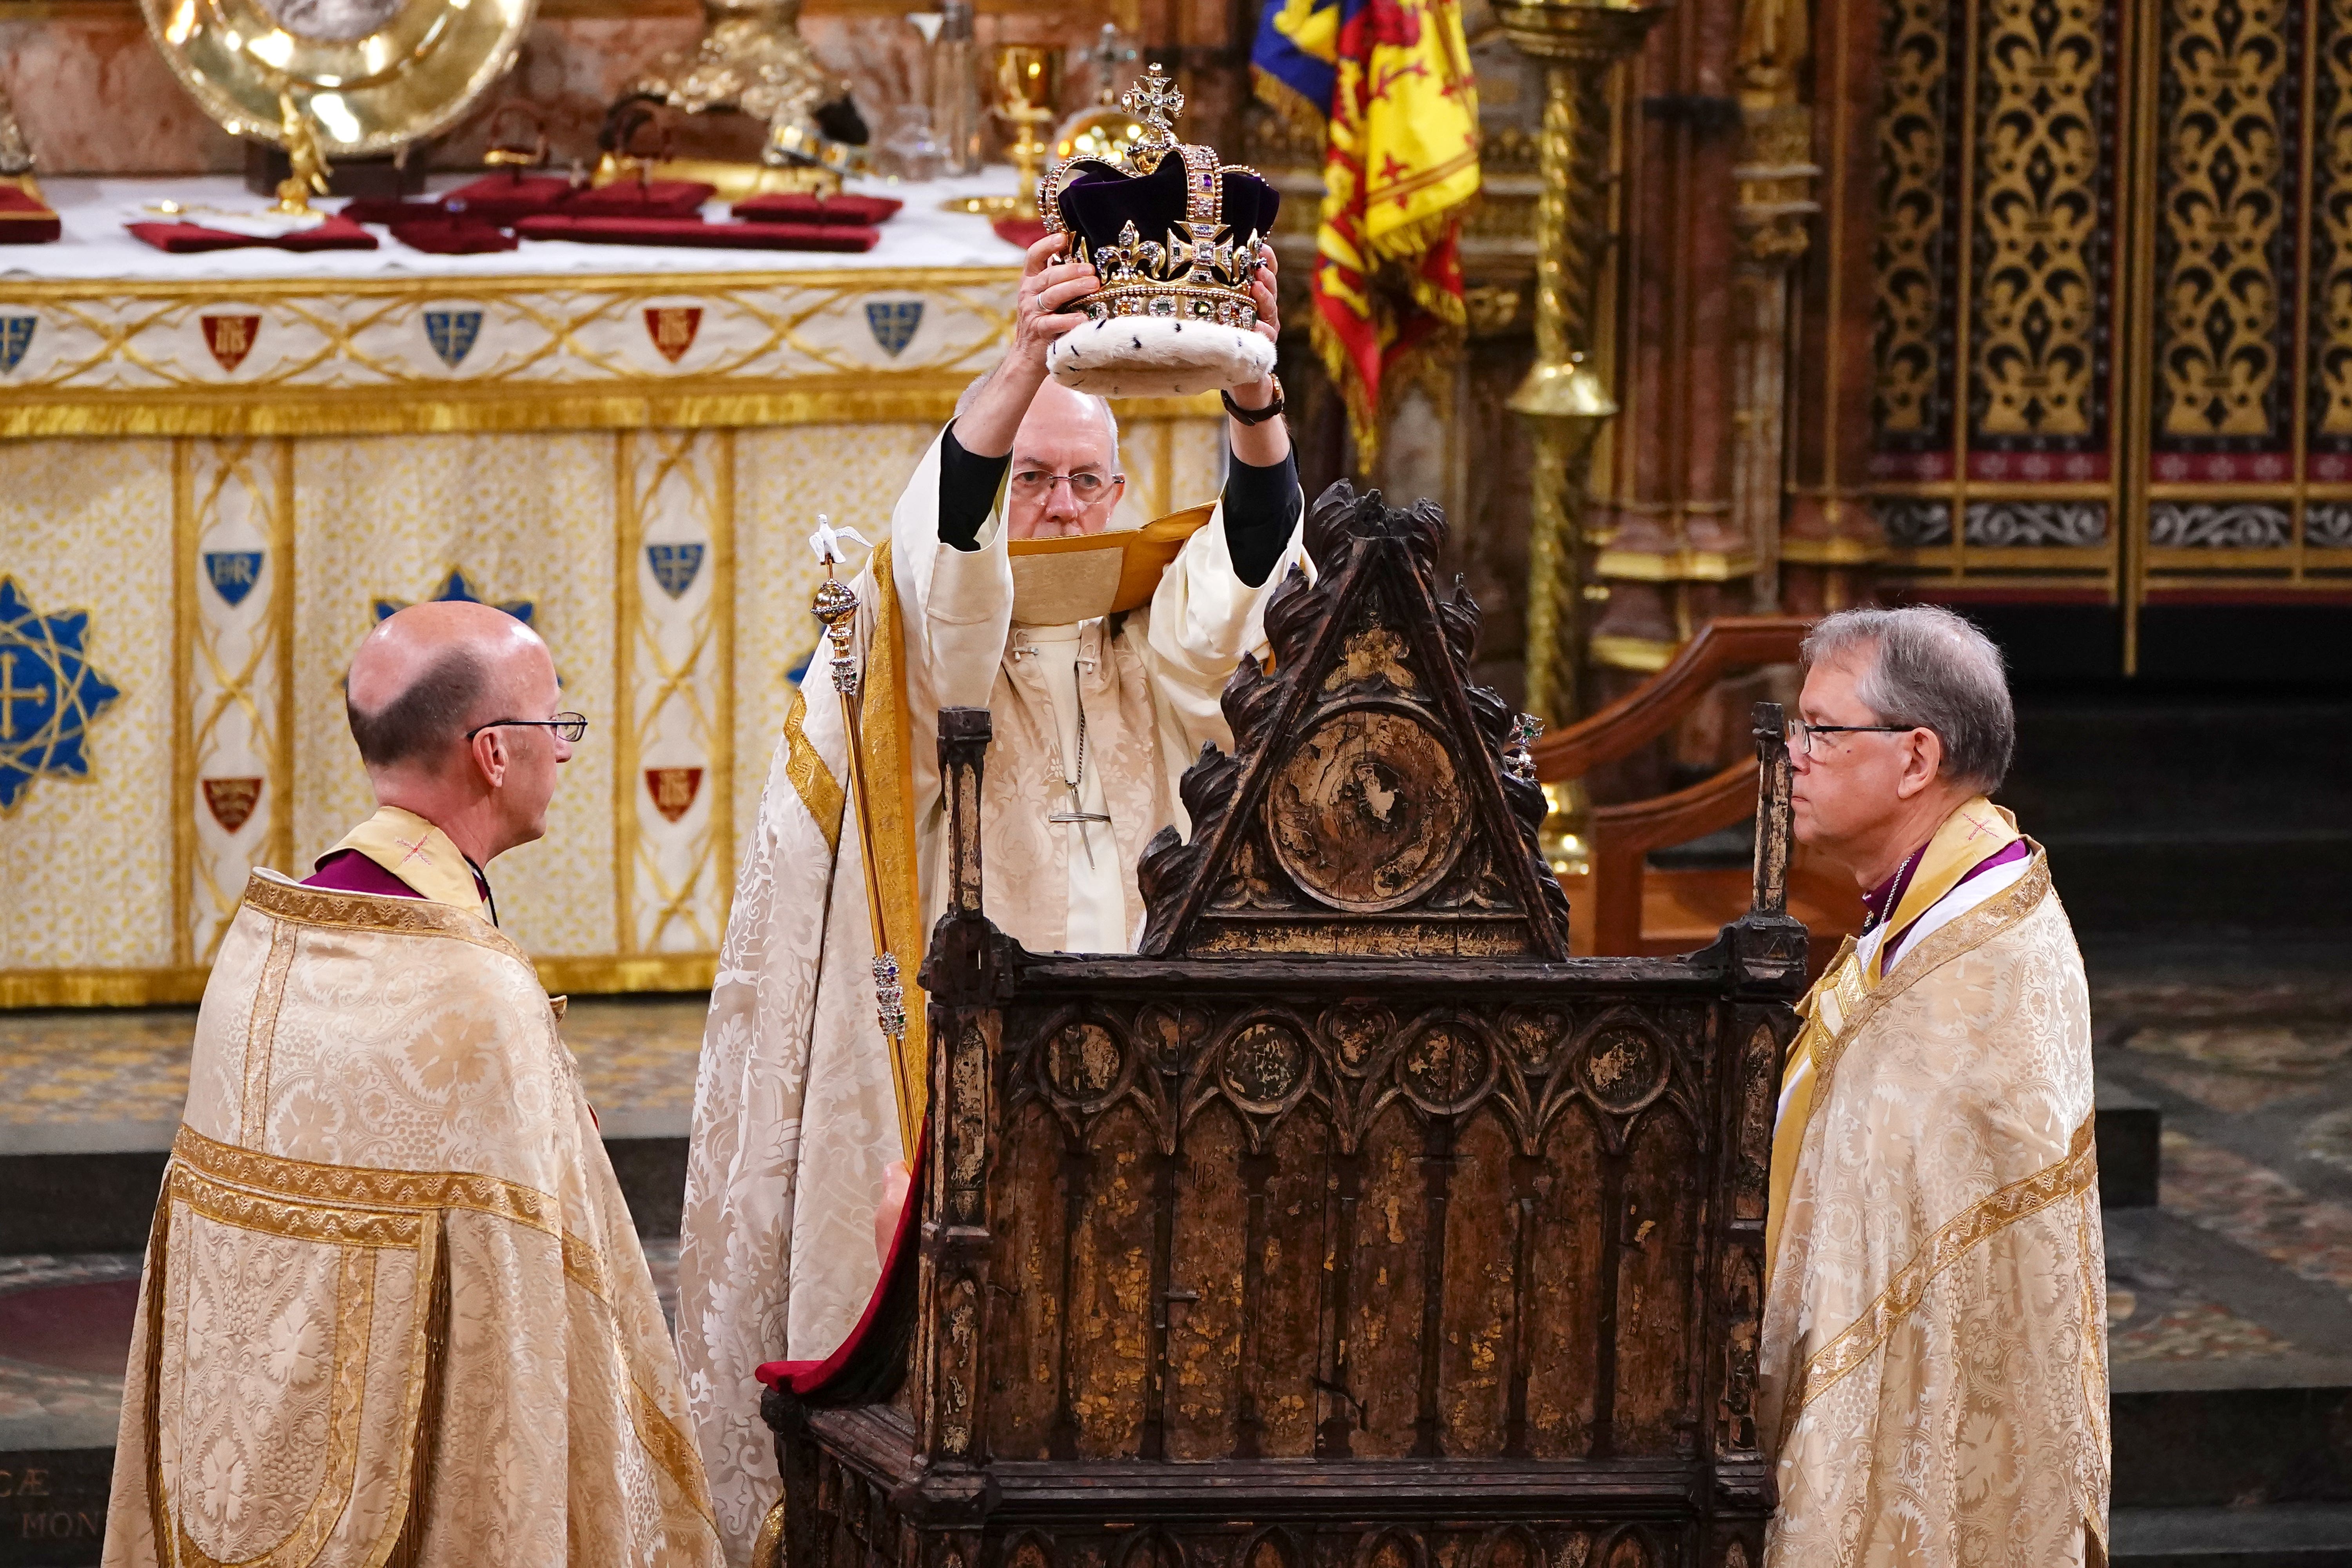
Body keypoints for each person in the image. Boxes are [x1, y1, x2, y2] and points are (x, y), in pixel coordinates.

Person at [676, 232, 1305, 1558]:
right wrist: (1023, 361)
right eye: (1035, 478)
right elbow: (950, 570)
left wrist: (1256, 400)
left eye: (1091, 481)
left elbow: (1244, 591)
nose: (1067, 505)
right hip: (954, 1067)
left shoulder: (1144, 629)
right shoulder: (915, 627)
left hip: (1143, 1060)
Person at [105, 602, 720, 1567]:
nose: (568, 749)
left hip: (231, 1479)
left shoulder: (265, 939)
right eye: (555, 723)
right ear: (493, 754)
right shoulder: (472, 984)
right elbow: (520, 1317)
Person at [1759, 606, 2107, 1566]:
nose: (1794, 752)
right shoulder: (1921, 906)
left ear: (1916, 759)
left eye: (1822, 730)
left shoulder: (1984, 956)